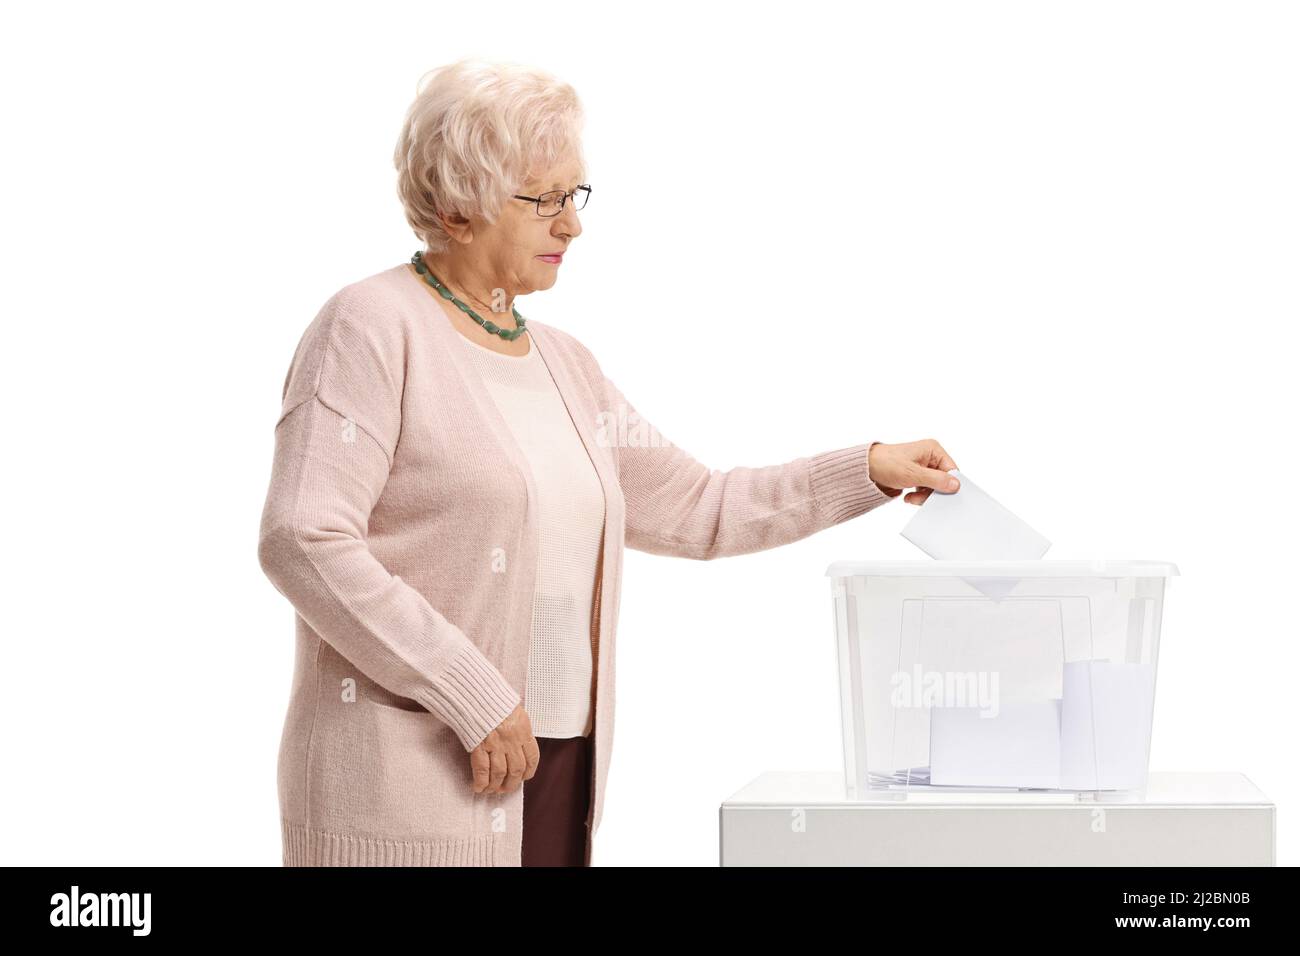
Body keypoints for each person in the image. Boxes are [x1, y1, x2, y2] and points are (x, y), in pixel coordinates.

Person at [257, 56, 960, 867]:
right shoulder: (370, 328)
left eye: (573, 196)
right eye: (544, 200)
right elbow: (302, 539)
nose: (572, 224)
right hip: (419, 783)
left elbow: (701, 508)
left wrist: (868, 469)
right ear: (457, 207)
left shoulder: (563, 363)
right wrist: (473, 693)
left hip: (555, 770)